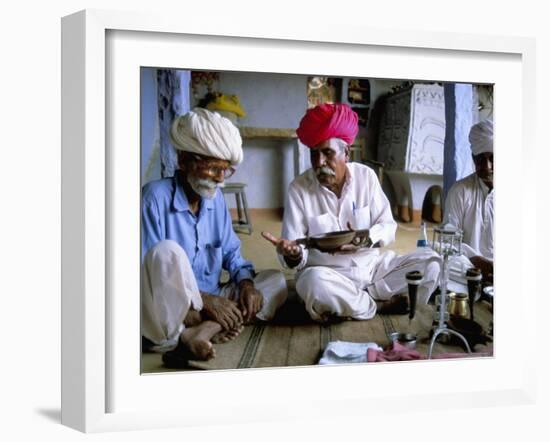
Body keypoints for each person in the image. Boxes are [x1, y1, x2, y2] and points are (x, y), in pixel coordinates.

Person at [262, 103, 440, 323]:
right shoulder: (299, 189)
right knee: (311, 284)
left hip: (373, 270)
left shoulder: (366, 177)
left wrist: (365, 240)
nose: (319, 163)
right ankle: (375, 305)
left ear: (346, 153)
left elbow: (388, 226)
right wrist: (294, 254)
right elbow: (294, 249)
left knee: (432, 262)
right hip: (328, 275)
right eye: (314, 154)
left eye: (327, 153)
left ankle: (355, 302)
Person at [141, 108, 287, 365]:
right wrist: (204, 301)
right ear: (184, 160)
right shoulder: (154, 197)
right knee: (167, 251)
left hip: (214, 298)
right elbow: (148, 274)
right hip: (174, 308)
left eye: (226, 170)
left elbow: (232, 252)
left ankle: (203, 330)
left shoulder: (215, 198)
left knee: (275, 282)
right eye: (212, 168)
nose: (220, 179)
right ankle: (190, 328)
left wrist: (246, 285)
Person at [444, 119, 494, 283]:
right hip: (468, 268)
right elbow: (448, 242)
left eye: (493, 158)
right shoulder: (460, 192)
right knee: (437, 263)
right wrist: (475, 259)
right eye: (480, 159)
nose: (487, 166)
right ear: (473, 158)